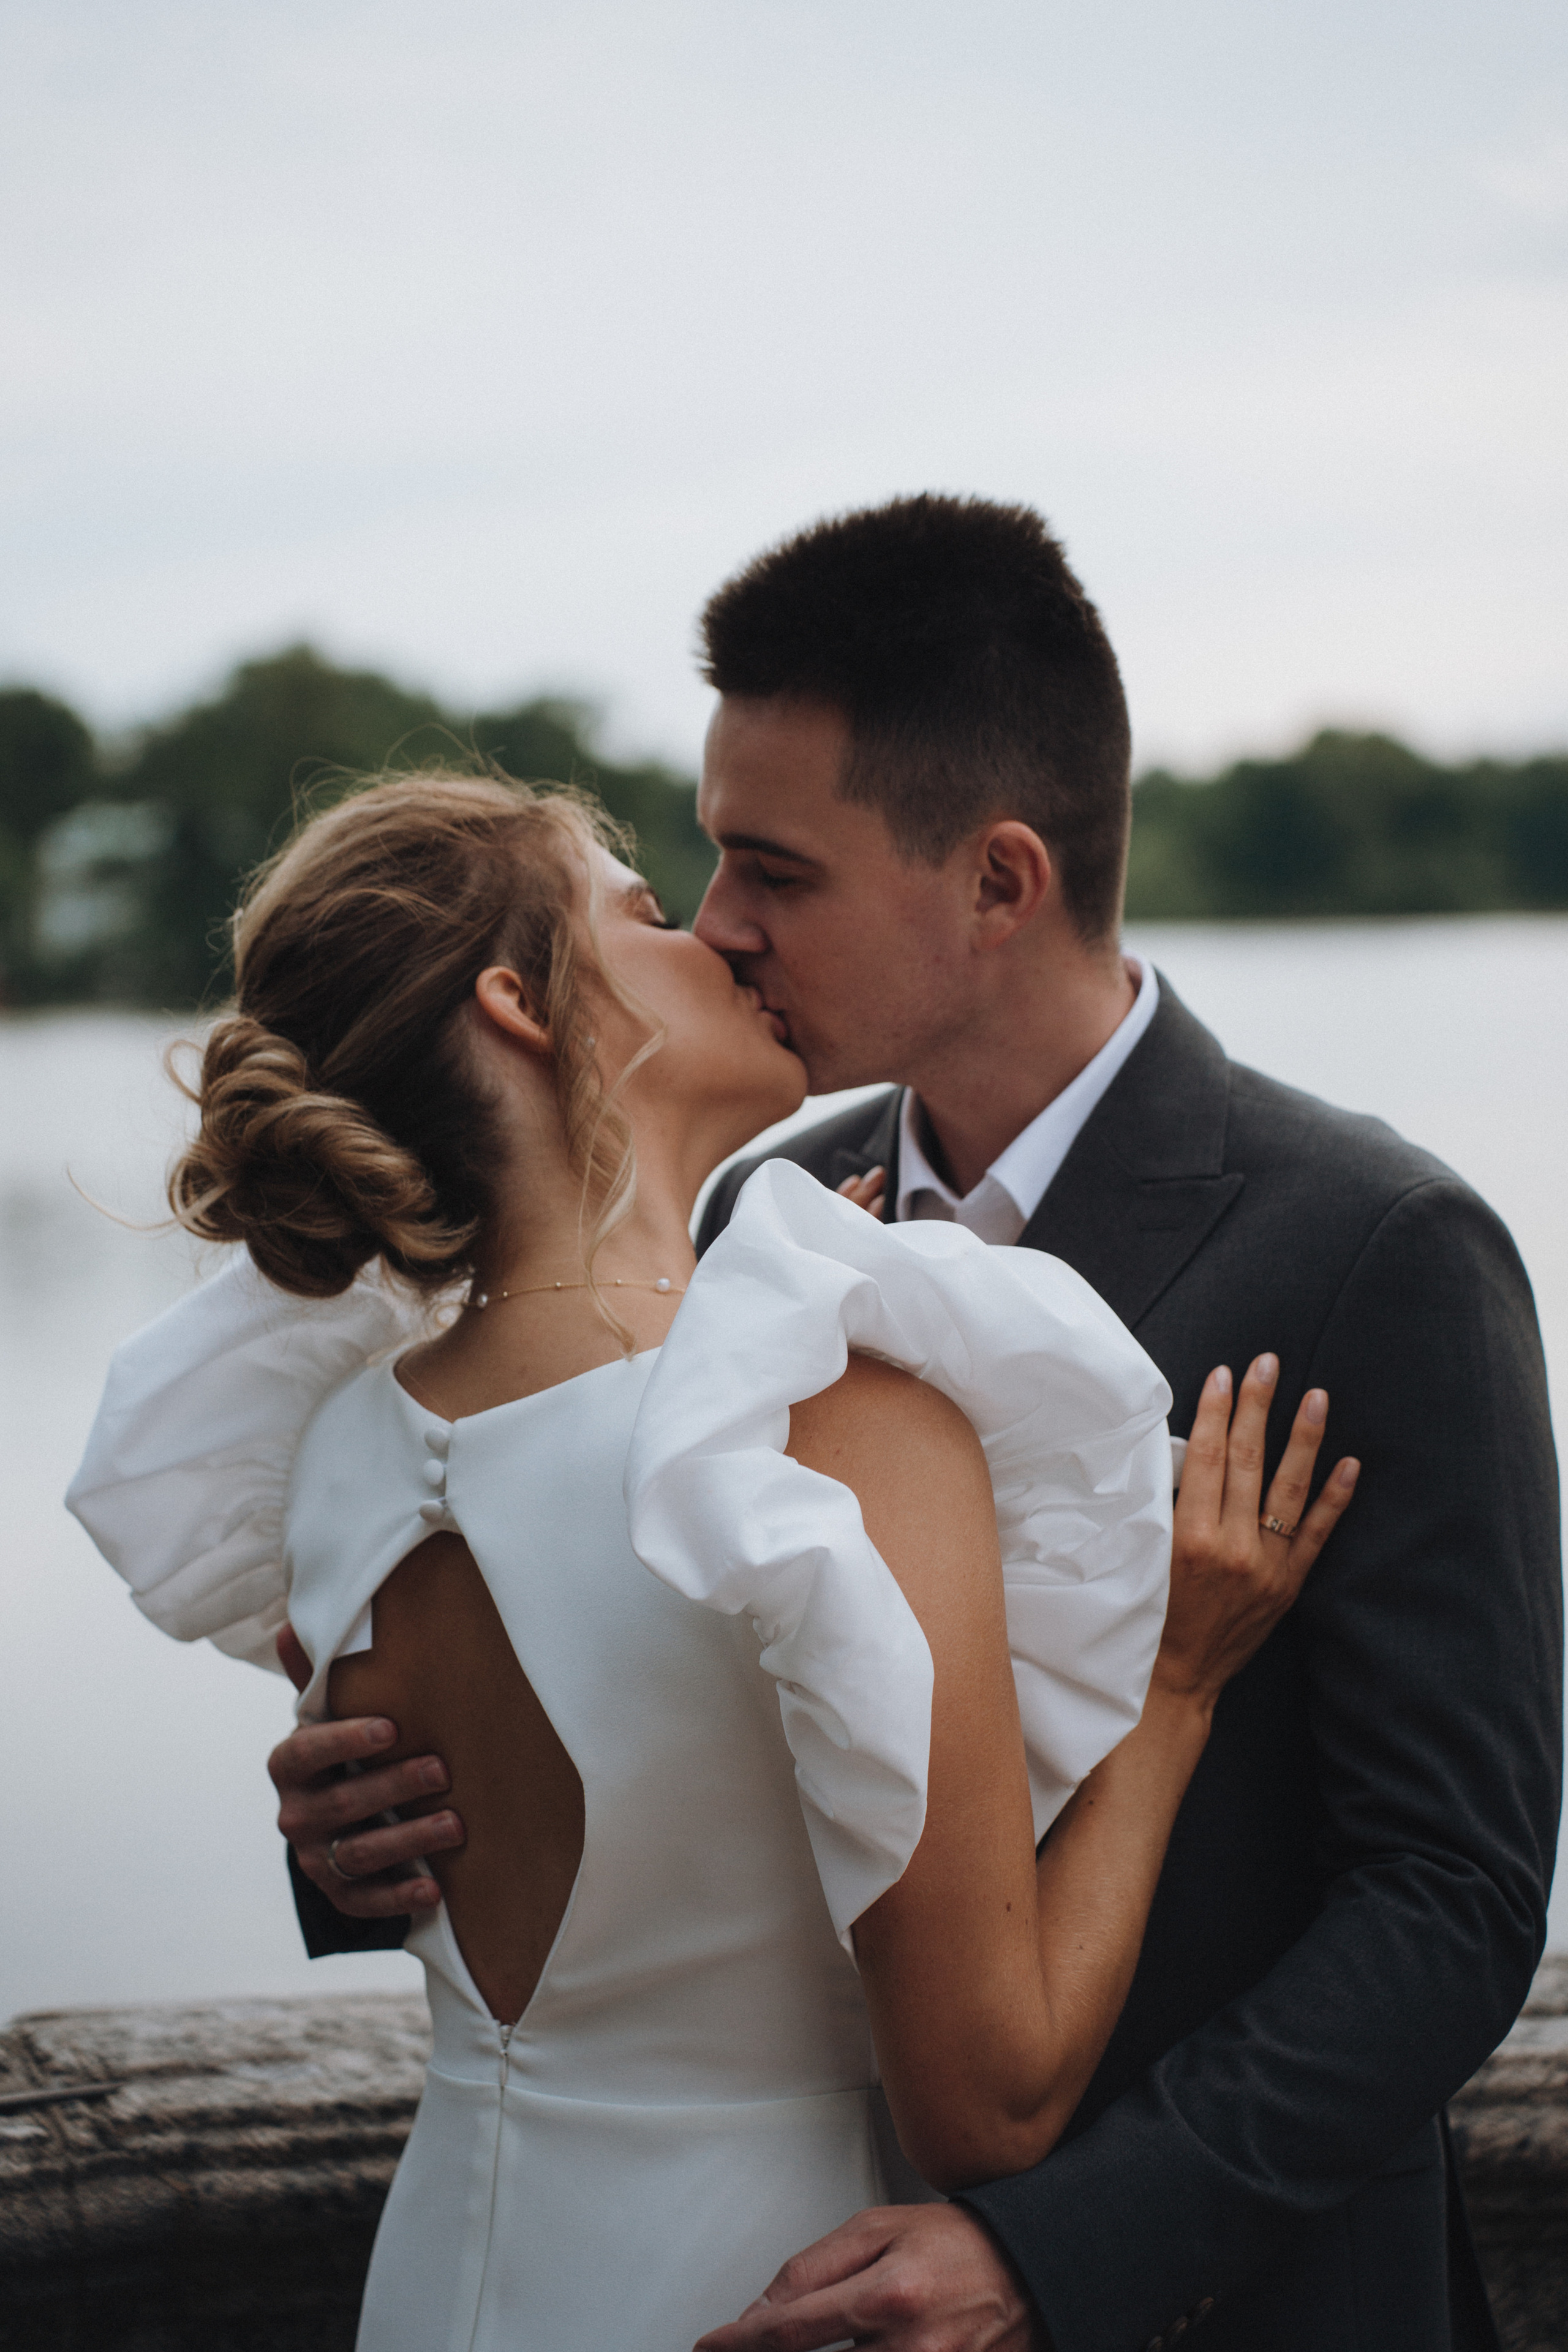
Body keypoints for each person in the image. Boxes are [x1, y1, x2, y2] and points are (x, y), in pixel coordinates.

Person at [274, 496, 1559, 2351]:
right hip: (777, 2265)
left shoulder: (1378, 1253)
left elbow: (1452, 1900)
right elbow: (675, 1755)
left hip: (1238, 2303)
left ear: (998, 884)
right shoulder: (750, 1221)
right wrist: (365, 1836)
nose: (719, 925)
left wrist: (1059, 2254)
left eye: (771, 869)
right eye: (708, 862)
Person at [68, 767, 1349, 2350]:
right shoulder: (836, 1419)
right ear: (522, 1005)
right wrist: (1174, 1686)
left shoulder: (327, 1441)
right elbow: (989, 2110)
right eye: (648, 915)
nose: (723, 941)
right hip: (752, 2289)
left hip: (445, 2270)